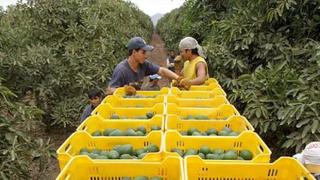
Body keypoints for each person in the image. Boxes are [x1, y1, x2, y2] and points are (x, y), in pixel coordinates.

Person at [106, 36, 180, 95]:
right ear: (134, 52)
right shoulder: (121, 70)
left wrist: (179, 79)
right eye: (143, 52)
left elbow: (162, 71)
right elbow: (109, 90)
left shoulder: (143, 64)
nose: (146, 56)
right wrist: (125, 90)